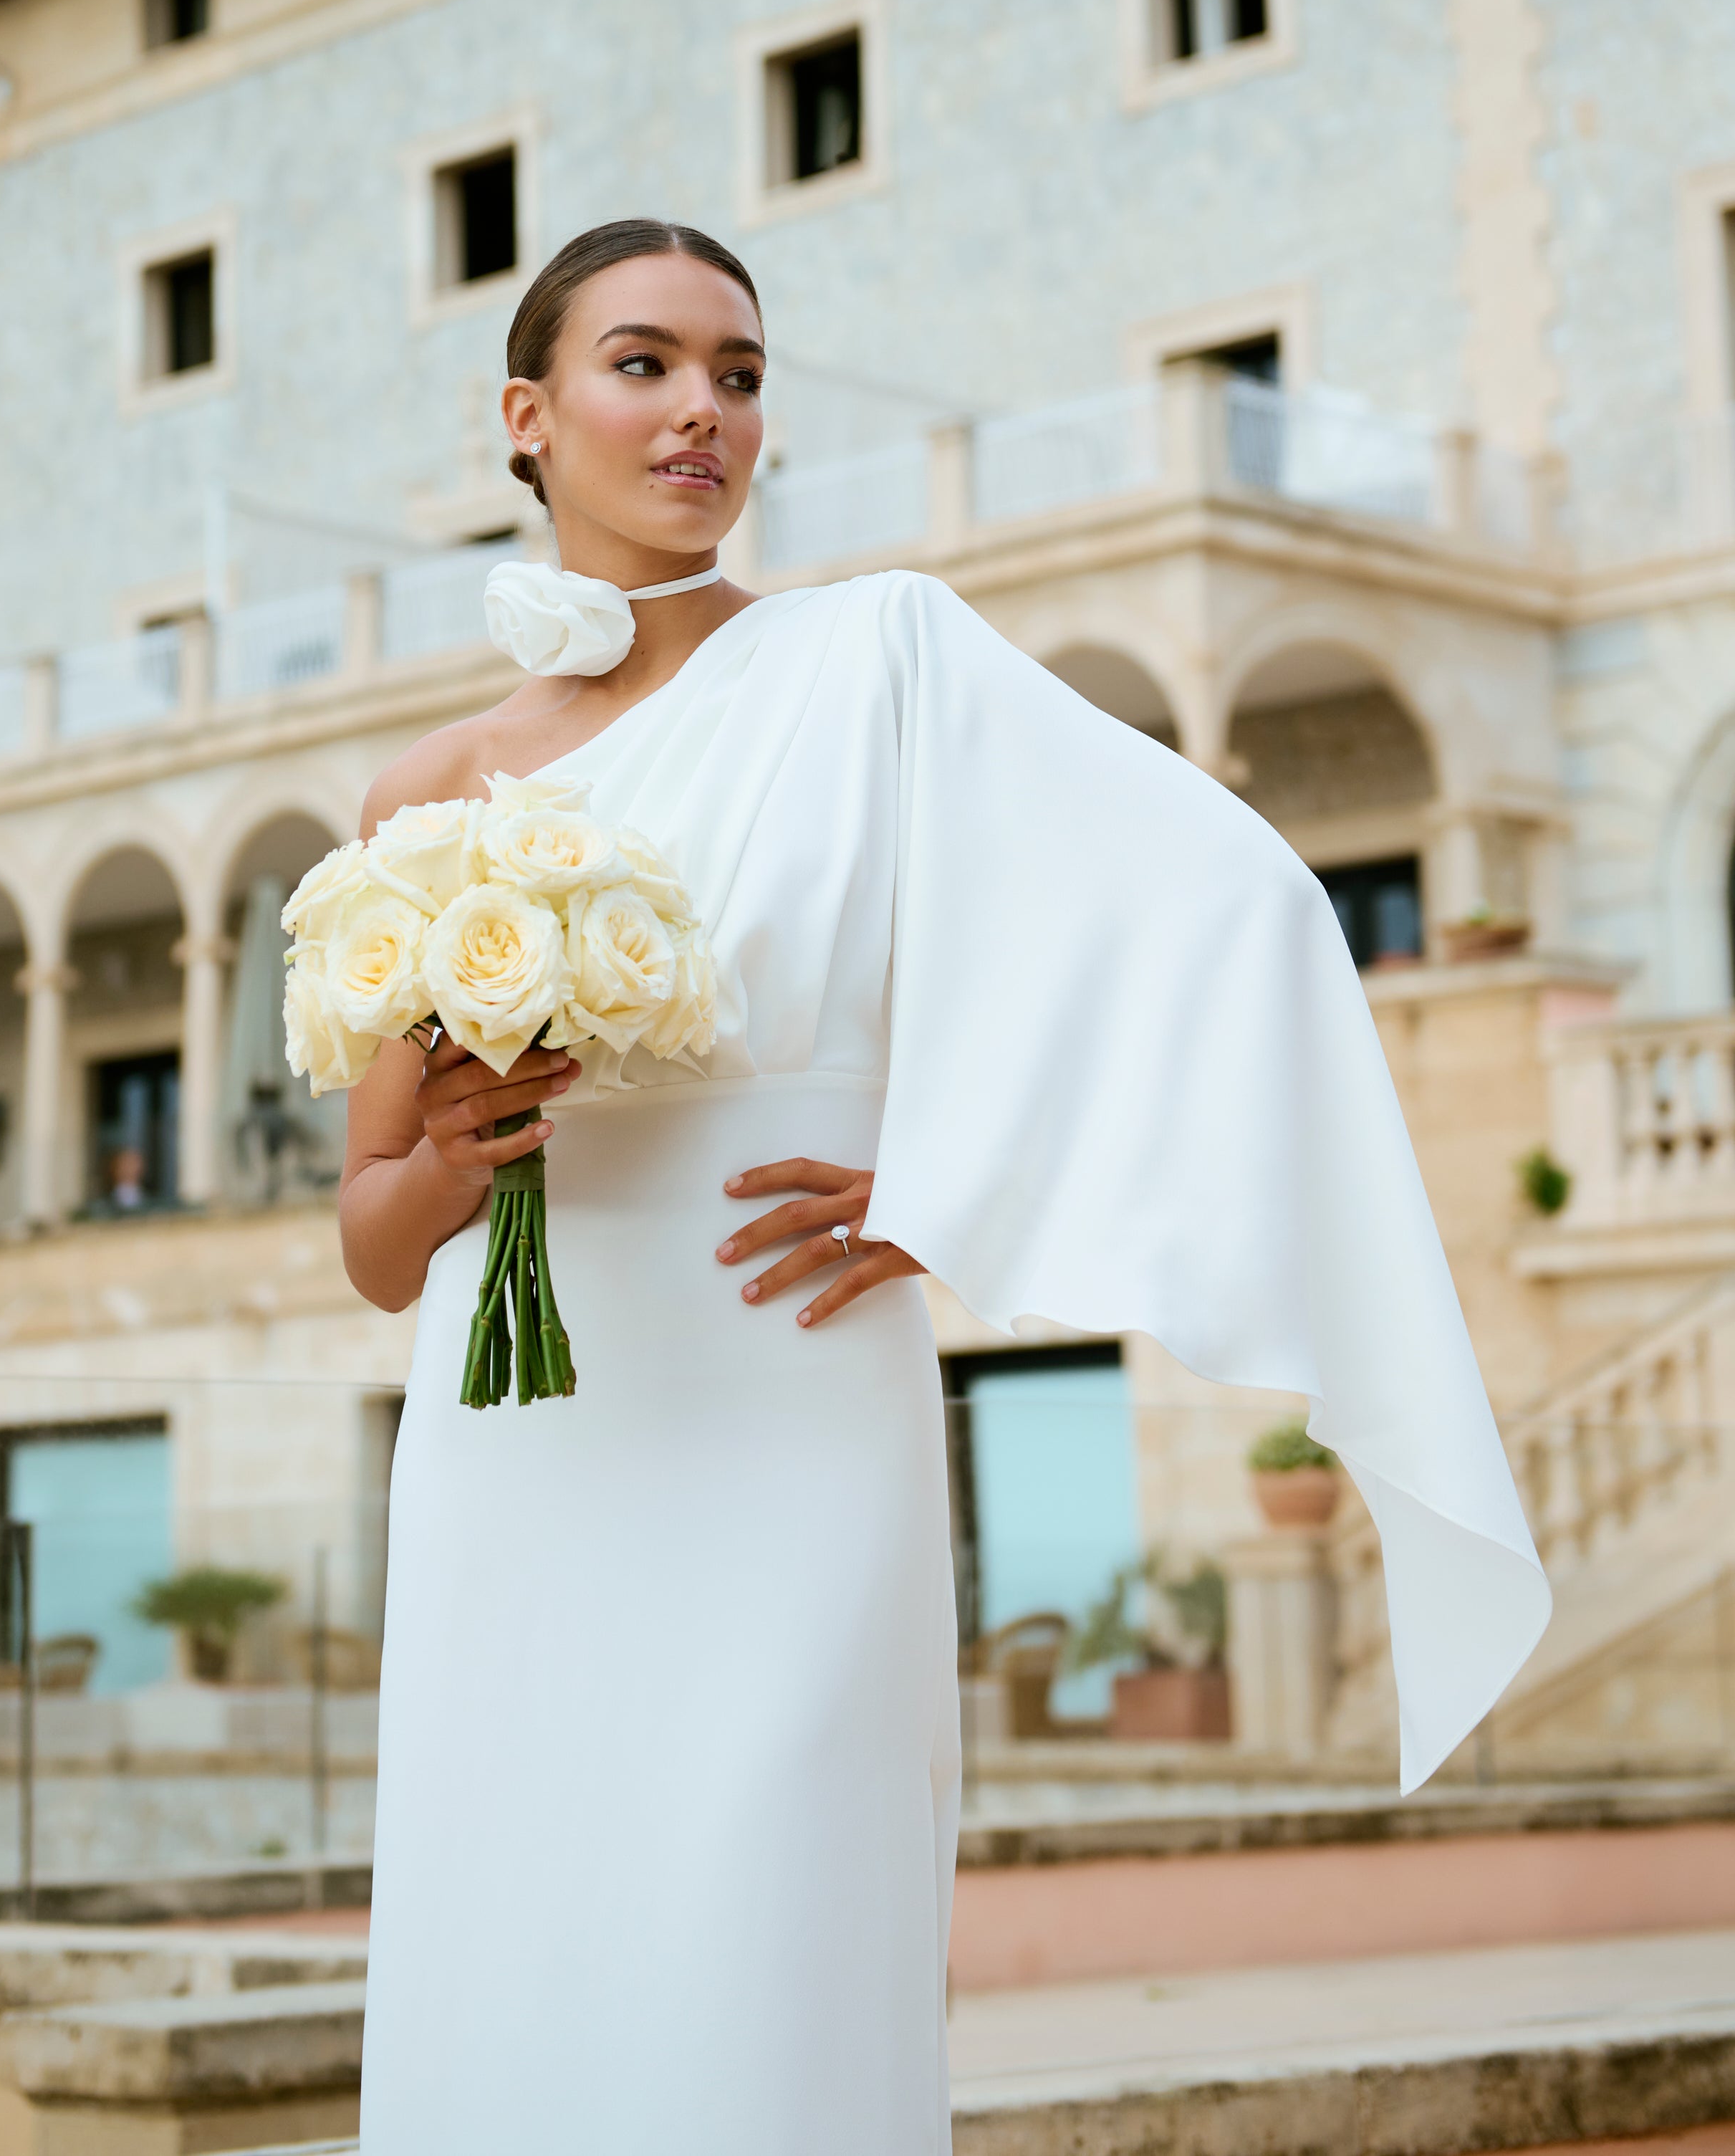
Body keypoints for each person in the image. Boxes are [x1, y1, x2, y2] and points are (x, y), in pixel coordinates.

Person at [341, 221, 1549, 2155]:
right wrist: (470, 1155)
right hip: (526, 1447)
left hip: (799, 1393)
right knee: (531, 1904)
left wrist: (955, 1186)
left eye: (738, 373)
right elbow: (372, 1241)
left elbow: (1229, 914)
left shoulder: (877, 656)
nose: (702, 412)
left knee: (774, 1908)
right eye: (644, 364)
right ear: (526, 412)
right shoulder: (426, 795)